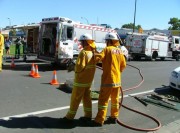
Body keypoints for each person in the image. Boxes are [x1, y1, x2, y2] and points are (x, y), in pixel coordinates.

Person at [92, 32, 126, 126]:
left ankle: (99, 120)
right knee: (115, 100)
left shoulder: (107, 49)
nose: (106, 42)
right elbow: (123, 65)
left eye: (106, 40)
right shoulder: (119, 51)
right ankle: (114, 117)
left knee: (103, 100)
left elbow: (98, 58)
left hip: (108, 80)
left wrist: (94, 53)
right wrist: (117, 72)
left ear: (109, 41)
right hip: (117, 80)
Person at [61, 33, 96, 123]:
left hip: (81, 81)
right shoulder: (92, 52)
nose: (80, 44)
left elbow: (80, 67)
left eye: (81, 42)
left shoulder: (83, 53)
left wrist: (74, 66)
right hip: (89, 81)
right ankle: (88, 115)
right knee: (87, 98)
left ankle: (69, 117)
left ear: (85, 42)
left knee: (75, 99)